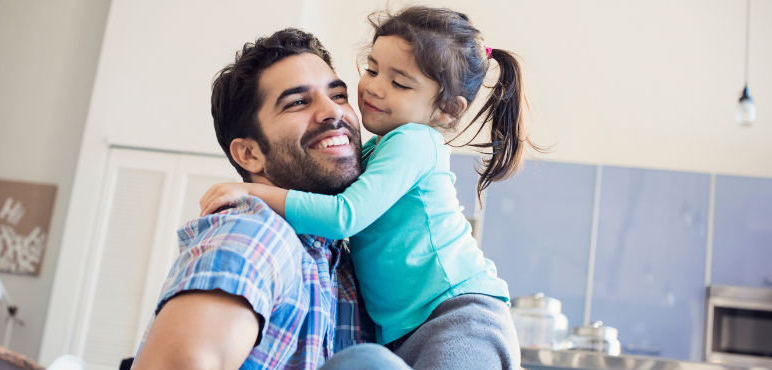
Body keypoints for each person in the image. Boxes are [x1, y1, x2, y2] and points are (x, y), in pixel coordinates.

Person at [200, 6, 543, 370]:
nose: (373, 88)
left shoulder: (414, 141)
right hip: (410, 327)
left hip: (456, 314)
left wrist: (254, 192)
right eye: (372, 69)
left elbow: (344, 216)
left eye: (399, 83)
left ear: (446, 110)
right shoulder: (377, 149)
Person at [130, 28, 411, 370]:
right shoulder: (255, 235)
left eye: (338, 95)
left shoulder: (346, 264)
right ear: (249, 154)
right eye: (297, 102)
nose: (332, 112)